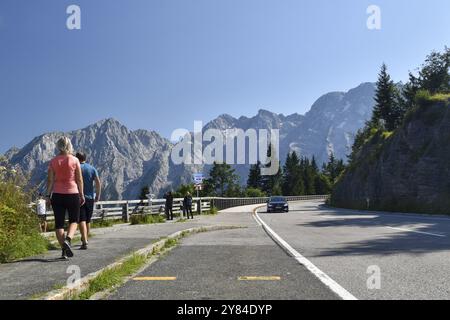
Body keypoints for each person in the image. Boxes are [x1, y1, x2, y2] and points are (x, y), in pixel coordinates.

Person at [46, 137, 85, 259]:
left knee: (59, 225)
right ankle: (68, 240)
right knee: (74, 220)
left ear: (58, 146)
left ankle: (64, 250)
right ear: (70, 145)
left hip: (57, 195)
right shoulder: (74, 160)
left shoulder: (53, 161)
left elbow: (50, 180)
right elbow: (79, 179)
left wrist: (48, 196)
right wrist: (82, 194)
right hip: (72, 193)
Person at [75, 152, 101, 250]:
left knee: (81, 219)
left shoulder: (75, 167)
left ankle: (84, 241)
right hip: (90, 197)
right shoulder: (92, 168)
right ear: (85, 158)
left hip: (78, 197)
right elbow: (98, 183)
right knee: (88, 220)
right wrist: (97, 195)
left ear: (77, 158)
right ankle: (86, 239)